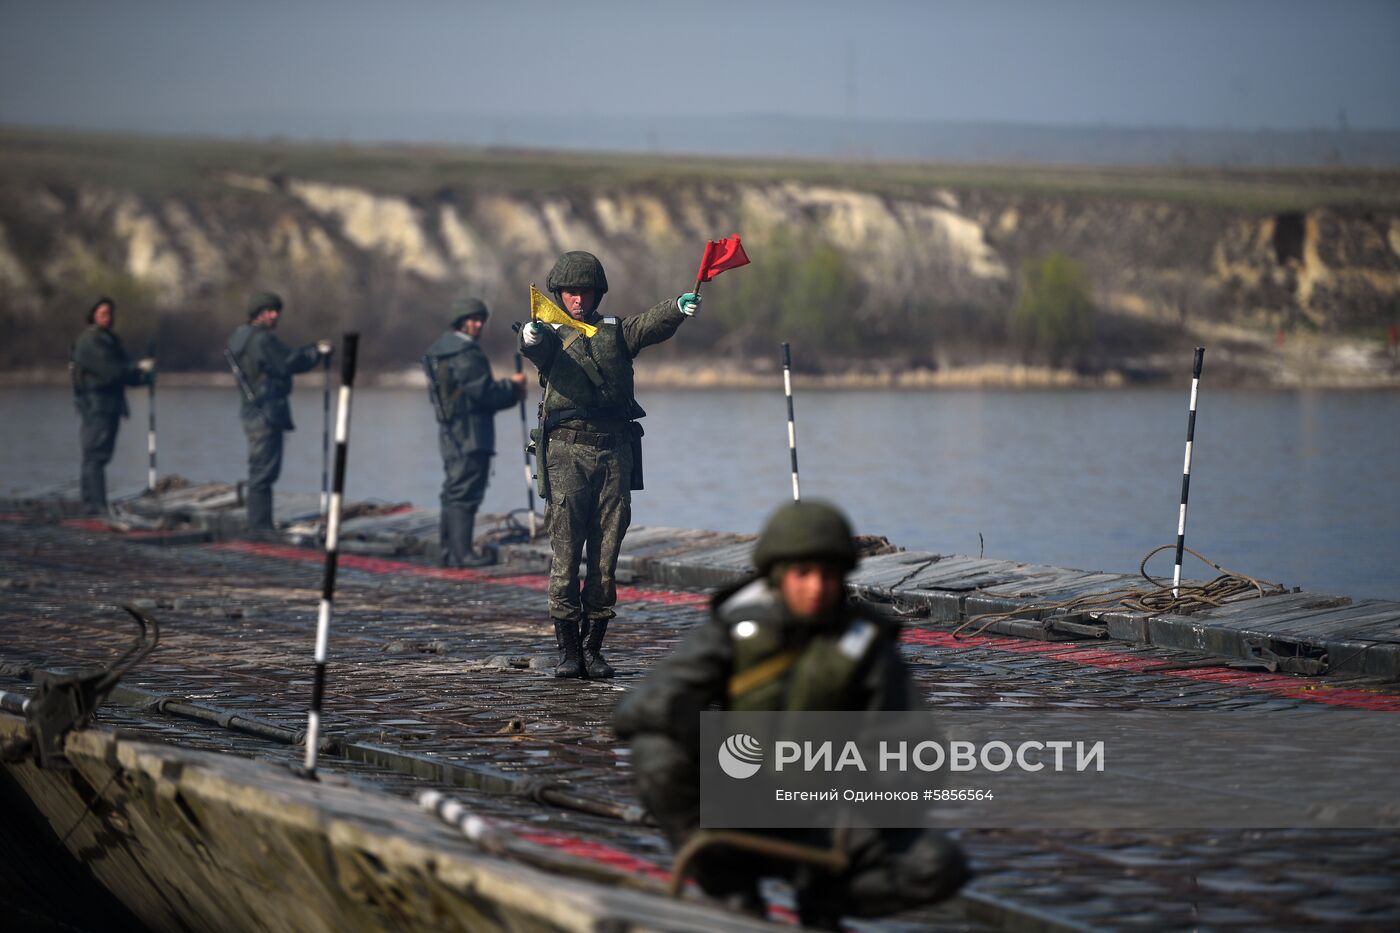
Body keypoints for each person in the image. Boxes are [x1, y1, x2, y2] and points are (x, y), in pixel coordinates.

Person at [613, 500, 970, 928]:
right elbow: (639, 708)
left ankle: (823, 902)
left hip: (828, 814)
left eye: (827, 575)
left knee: (936, 865)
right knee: (657, 754)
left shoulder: (866, 646)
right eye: (803, 574)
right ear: (779, 577)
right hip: (740, 803)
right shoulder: (737, 631)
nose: (816, 588)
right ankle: (730, 891)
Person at [518, 250, 701, 679]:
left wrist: (678, 307)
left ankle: (593, 648)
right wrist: (529, 336)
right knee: (565, 555)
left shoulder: (616, 332)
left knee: (605, 557)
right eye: (569, 292)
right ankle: (568, 653)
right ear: (558, 294)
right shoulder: (551, 332)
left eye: (584, 291)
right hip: (566, 453)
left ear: (597, 292)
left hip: (614, 453)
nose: (577, 299)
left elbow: (649, 323)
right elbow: (535, 346)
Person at [424, 296, 528, 567]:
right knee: (464, 492)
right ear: (460, 322)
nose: (478, 324)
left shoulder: (440, 350)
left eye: (481, 319)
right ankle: (463, 555)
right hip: (470, 433)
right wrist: (513, 387)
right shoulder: (464, 353)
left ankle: (450, 553)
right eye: (472, 319)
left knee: (453, 490)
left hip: (451, 431)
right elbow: (485, 394)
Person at [225, 291, 330, 536]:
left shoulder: (237, 338)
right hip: (266, 411)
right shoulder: (262, 340)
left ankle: (259, 523)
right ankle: (260, 527)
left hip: (251, 411)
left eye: (276, 310)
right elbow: (289, 362)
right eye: (269, 310)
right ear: (257, 314)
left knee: (259, 469)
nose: (275, 315)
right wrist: (316, 351)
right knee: (264, 472)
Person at [70, 297, 155, 515]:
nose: (107, 318)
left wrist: (143, 377)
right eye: (102, 313)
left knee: (101, 456)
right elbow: (112, 370)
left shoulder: (110, 340)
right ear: (93, 315)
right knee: (95, 456)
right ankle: (94, 506)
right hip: (95, 406)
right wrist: (137, 368)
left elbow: (122, 373)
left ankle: (95, 504)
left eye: (109, 313)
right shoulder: (90, 341)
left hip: (109, 406)